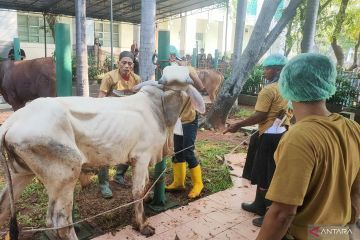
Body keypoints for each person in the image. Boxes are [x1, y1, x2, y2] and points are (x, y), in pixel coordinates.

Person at [256, 53, 360, 240]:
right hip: (334, 234)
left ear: (287, 85)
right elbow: (356, 191)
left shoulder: (299, 137)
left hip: (307, 235)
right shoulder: (353, 128)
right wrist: (350, 232)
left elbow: (282, 214)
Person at [224, 54, 290, 226]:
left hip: (268, 136)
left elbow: (260, 116)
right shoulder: (286, 87)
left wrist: (238, 124)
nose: (264, 71)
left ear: (276, 70)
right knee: (267, 172)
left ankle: (268, 214)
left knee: (265, 175)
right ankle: (258, 205)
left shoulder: (268, 90)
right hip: (282, 132)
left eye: (267, 68)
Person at [97, 51, 141, 199]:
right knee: (105, 150)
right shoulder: (109, 77)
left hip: (128, 120)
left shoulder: (137, 79)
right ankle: (103, 184)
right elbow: (100, 100)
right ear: (118, 63)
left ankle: (119, 175)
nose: (126, 66)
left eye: (129, 63)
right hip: (110, 120)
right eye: (124, 62)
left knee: (130, 147)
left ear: (133, 66)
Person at [166, 47, 206, 199]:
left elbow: (200, 86)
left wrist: (185, 68)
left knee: (188, 150)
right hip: (177, 121)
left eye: (174, 57)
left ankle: (198, 183)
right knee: (178, 151)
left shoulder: (188, 70)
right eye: (170, 57)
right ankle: (178, 182)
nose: (172, 59)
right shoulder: (168, 75)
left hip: (189, 119)